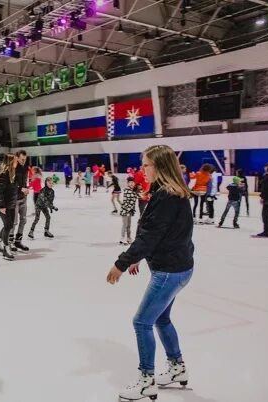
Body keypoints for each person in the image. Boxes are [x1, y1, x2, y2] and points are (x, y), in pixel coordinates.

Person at [106, 145, 194, 401]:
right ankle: (177, 367)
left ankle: (146, 380)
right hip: (178, 267)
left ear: (160, 166)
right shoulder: (168, 193)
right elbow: (160, 235)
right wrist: (140, 258)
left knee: (141, 321)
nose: (142, 170)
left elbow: (150, 236)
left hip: (169, 271)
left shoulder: (167, 196)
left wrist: (122, 263)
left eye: (146, 165)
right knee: (161, 319)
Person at [0, 154, 18, 261]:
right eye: (15, 160)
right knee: (8, 226)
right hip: (4, 204)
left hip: (11, 203)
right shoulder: (4, 173)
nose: (16, 162)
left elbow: (13, 189)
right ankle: (6, 250)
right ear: (11, 161)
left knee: (10, 225)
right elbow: (1, 191)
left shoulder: (12, 173)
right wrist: (2, 205)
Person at [9, 150, 30, 252]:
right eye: (22, 159)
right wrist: (21, 188)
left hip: (23, 198)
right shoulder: (12, 168)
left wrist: (26, 188)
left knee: (23, 220)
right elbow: (10, 184)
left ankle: (18, 241)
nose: (23, 161)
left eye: (25, 159)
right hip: (14, 198)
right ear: (16, 157)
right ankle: (10, 243)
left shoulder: (25, 167)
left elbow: (24, 181)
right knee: (13, 222)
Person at [119, 177, 137, 245]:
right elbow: (126, 201)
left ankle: (128, 238)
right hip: (125, 210)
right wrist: (130, 209)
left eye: (133, 182)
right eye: (130, 182)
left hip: (130, 211)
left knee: (129, 225)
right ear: (128, 183)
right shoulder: (127, 190)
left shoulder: (133, 190)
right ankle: (122, 238)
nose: (132, 184)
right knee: (125, 225)